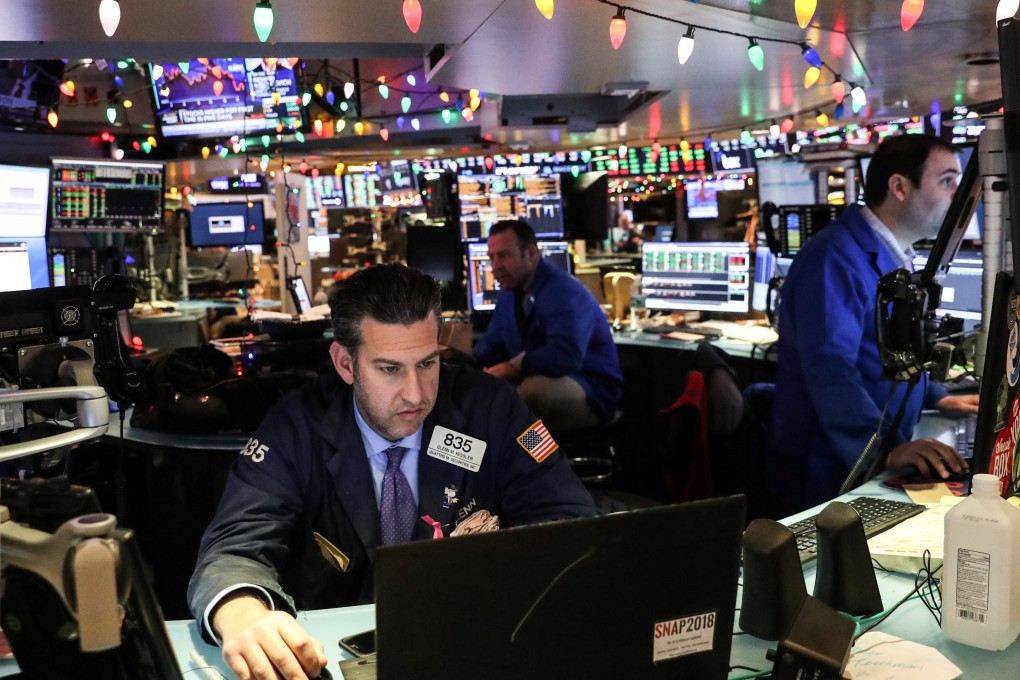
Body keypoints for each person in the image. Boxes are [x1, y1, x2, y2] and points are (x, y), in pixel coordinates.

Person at [188, 264, 596, 680]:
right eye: (389, 369)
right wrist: (241, 614)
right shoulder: (297, 426)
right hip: (332, 660)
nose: (416, 394)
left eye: (427, 363)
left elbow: (570, 520)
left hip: (470, 645)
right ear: (345, 364)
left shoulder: (491, 409)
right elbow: (233, 550)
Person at [767, 134, 979, 513]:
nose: (958, 193)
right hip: (830, 466)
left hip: (865, 454)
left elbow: (892, 349)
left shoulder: (894, 254)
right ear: (899, 187)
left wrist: (936, 396)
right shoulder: (834, 257)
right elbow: (831, 366)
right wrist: (885, 448)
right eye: (947, 180)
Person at [473, 220, 623, 432]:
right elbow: (492, 344)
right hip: (539, 378)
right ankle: (504, 458)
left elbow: (565, 356)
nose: (495, 266)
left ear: (531, 254)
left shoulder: (561, 291)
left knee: (529, 396)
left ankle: (540, 461)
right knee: (479, 396)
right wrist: (461, 361)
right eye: (491, 257)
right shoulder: (510, 293)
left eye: (504, 255)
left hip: (590, 387)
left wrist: (513, 367)